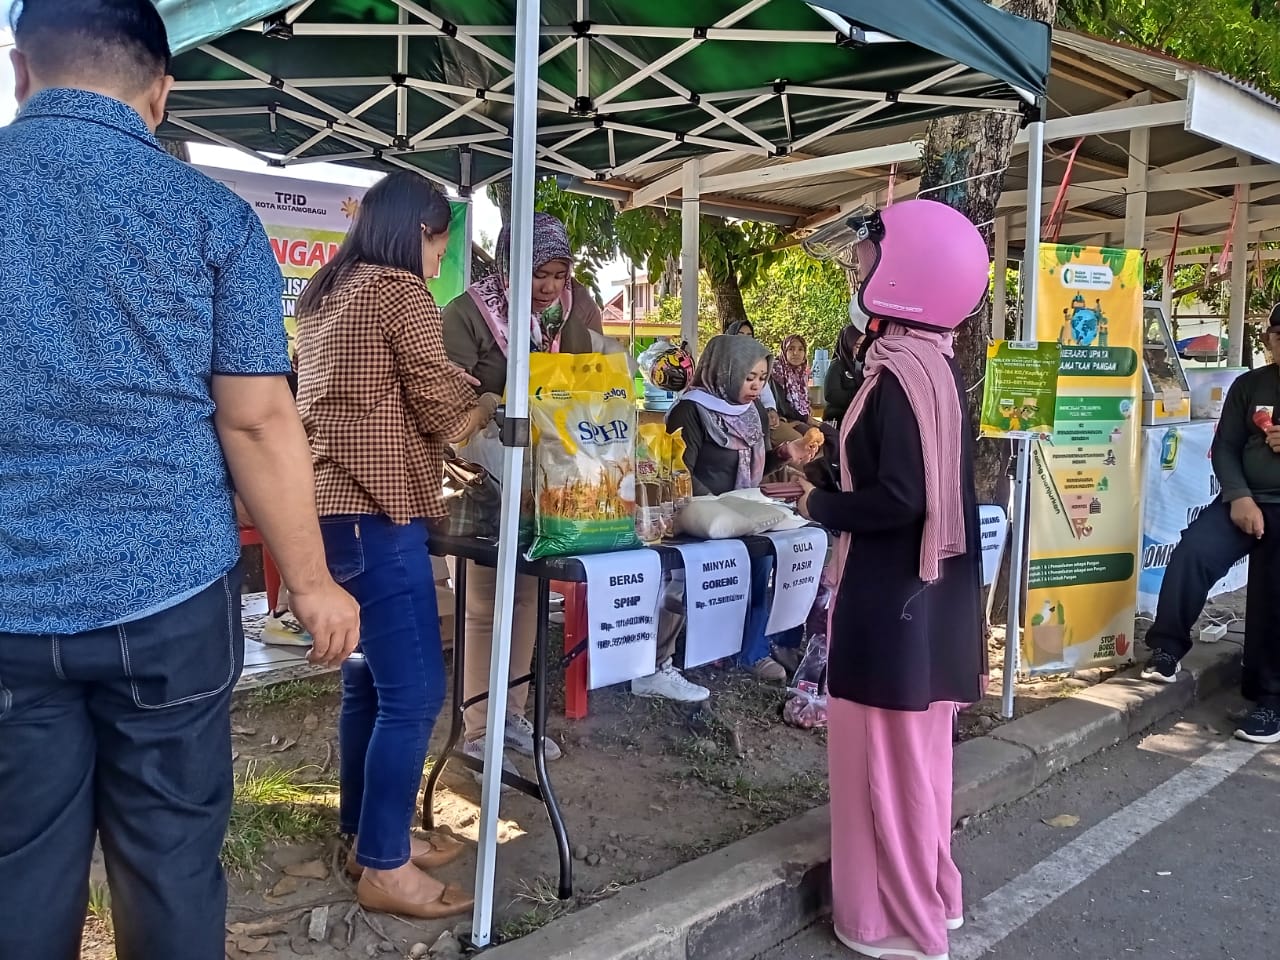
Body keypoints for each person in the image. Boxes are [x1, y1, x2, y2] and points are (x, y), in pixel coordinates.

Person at [0, 3, 361, 959]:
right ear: (161, 94)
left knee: (15, 871)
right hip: (167, 602)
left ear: (21, 71)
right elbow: (256, 417)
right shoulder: (209, 218)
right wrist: (314, 583)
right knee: (169, 861)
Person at [295, 171, 497, 919]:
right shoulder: (397, 289)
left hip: (329, 512)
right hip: (376, 516)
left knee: (370, 684)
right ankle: (384, 866)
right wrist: (488, 402)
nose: (443, 257)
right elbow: (433, 389)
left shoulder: (327, 292)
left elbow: (374, 394)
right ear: (420, 233)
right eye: (444, 241)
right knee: (412, 691)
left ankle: (366, 834)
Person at [796, 199, 989, 960]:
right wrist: (826, 473)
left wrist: (820, 502)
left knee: (881, 766)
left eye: (870, 258)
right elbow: (907, 479)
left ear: (906, 275)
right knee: (919, 769)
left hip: (889, 599)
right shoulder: (930, 365)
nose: (859, 269)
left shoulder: (898, 373)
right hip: (927, 602)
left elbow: (901, 498)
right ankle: (933, 902)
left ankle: (889, 921)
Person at [441, 213, 601, 775]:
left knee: (530, 596)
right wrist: (496, 397)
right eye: (538, 273)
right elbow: (447, 397)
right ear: (510, 265)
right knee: (483, 603)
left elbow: (588, 379)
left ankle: (511, 713)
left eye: (559, 274)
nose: (549, 286)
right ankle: (478, 726)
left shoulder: (562, 319)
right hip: (483, 481)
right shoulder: (467, 314)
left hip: (546, 479)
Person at [1142, 307, 1280, 744]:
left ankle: (1270, 699)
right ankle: (1166, 646)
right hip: (1244, 502)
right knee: (1193, 552)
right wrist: (1239, 496)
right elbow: (1225, 448)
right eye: (1278, 334)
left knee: (1272, 590)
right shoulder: (1251, 385)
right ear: (1268, 338)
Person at [650, 336, 817, 688]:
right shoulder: (690, 410)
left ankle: (751, 649)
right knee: (703, 584)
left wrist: (789, 452)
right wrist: (722, 506)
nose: (756, 386)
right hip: (702, 516)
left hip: (746, 510)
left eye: (761, 377)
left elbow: (757, 463)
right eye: (748, 377)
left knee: (767, 565)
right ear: (724, 371)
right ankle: (709, 651)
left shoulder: (752, 411)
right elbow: (679, 472)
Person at [824, 318, 868, 428]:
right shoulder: (837, 366)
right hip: (838, 418)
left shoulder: (865, 365)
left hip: (858, 415)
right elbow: (831, 394)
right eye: (857, 346)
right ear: (848, 344)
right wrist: (858, 395)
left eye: (863, 346)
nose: (860, 350)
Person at [771, 334, 816, 425]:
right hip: (781, 420)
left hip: (798, 418)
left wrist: (806, 409)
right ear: (784, 351)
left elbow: (802, 401)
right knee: (815, 436)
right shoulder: (777, 371)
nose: (796, 353)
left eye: (800, 349)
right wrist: (805, 417)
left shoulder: (801, 373)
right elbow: (782, 407)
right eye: (791, 349)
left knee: (830, 432)